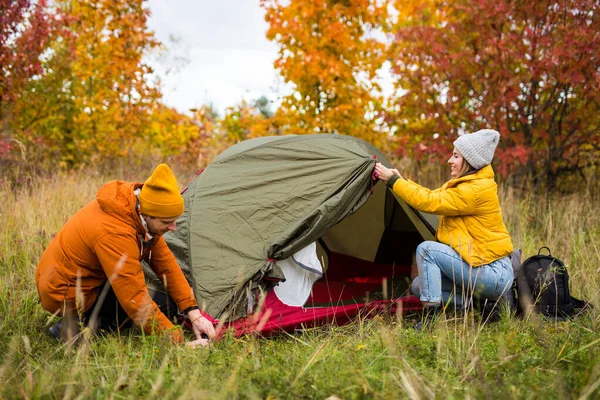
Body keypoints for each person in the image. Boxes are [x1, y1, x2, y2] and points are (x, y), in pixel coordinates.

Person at [36, 164, 216, 345]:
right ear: (148, 215)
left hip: (89, 279)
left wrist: (193, 312)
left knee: (167, 304)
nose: (173, 227)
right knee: (131, 302)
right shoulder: (115, 232)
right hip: (64, 292)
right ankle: (75, 328)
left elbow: (165, 264)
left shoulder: (137, 209)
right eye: (167, 222)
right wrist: (179, 343)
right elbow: (135, 299)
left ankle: (90, 320)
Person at [375, 129, 514, 328]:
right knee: (419, 285)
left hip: (492, 272)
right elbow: (430, 194)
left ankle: (430, 319)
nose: (450, 160)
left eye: (456, 156)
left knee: (427, 250)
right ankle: (483, 306)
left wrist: (393, 182)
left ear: (470, 161)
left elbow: (430, 202)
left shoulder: (473, 191)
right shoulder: (465, 184)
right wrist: (401, 181)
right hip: (481, 269)